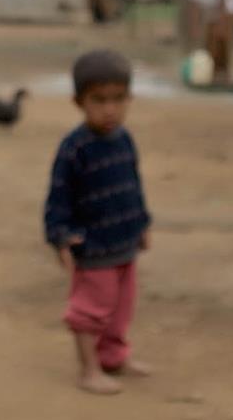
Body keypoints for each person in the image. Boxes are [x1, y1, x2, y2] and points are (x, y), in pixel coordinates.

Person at [43, 48, 153, 394]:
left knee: (121, 308)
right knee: (91, 309)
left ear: (129, 99)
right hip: (92, 246)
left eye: (118, 99)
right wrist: (60, 237)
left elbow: (132, 185)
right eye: (99, 100)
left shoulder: (124, 140)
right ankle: (89, 369)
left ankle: (114, 357)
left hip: (124, 242)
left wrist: (142, 223)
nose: (110, 109)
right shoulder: (74, 149)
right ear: (79, 102)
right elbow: (57, 197)